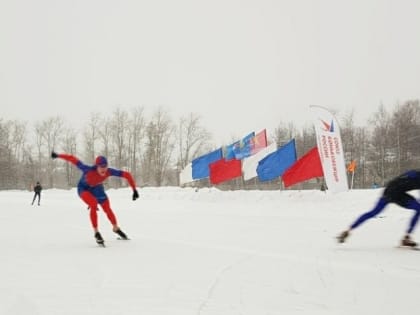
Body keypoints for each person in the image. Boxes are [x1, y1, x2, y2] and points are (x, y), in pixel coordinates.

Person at [51, 151, 139, 246]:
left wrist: (134, 190)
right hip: (83, 189)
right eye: (101, 167)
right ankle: (96, 232)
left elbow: (127, 175)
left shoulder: (109, 171)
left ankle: (115, 228)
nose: (103, 169)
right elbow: (72, 159)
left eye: (105, 166)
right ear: (96, 166)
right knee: (93, 204)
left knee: (107, 208)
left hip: (97, 188)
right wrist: (58, 155)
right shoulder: (87, 169)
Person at [337, 170, 420, 247]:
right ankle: (407, 237)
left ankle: (348, 230)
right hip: (394, 193)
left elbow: (401, 179)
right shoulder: (416, 175)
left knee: (373, 212)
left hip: (390, 190)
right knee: (418, 208)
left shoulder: (414, 172)